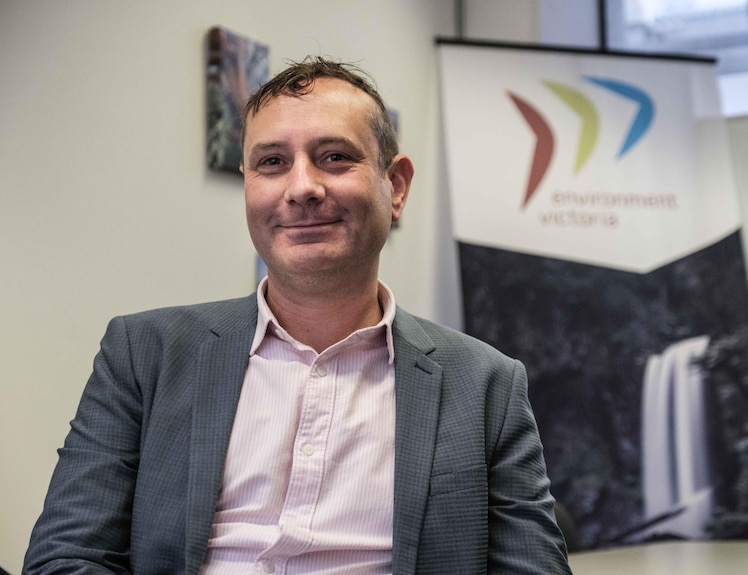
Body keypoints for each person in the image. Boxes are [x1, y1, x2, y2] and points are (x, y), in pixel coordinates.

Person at [24, 56, 572, 575]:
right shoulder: (145, 353)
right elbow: (66, 557)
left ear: (396, 186)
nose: (303, 188)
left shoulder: (485, 385)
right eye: (272, 163)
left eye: (335, 157)